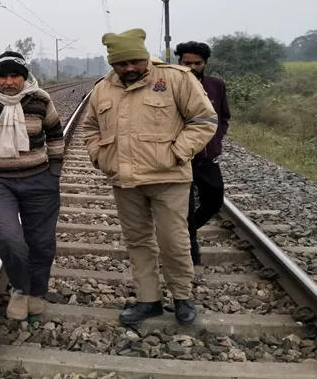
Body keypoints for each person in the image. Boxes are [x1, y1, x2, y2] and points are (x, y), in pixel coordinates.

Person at [83, 28, 217, 326]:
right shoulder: (102, 88)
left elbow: (204, 119)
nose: (129, 68)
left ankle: (182, 297)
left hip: (168, 179)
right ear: (112, 64)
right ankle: (149, 300)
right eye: (121, 64)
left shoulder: (176, 78)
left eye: (134, 61)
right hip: (125, 181)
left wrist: (177, 153)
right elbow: (90, 127)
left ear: (144, 57)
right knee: (138, 242)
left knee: (174, 241)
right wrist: (100, 156)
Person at [0, 51, 64, 321]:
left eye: (14, 76)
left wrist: (54, 172)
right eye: (2, 76)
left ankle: (36, 291)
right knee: (9, 238)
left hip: (39, 179)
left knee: (41, 241)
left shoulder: (40, 99)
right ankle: (19, 288)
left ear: (24, 77)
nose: (8, 82)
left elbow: (54, 134)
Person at [176, 41, 230, 281]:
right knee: (185, 211)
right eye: (187, 63)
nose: (193, 67)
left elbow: (224, 116)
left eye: (197, 63)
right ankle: (193, 257)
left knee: (214, 200)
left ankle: (180, 236)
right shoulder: (171, 84)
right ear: (179, 62)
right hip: (182, 159)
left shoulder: (216, 85)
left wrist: (216, 138)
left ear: (205, 63)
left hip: (207, 158)